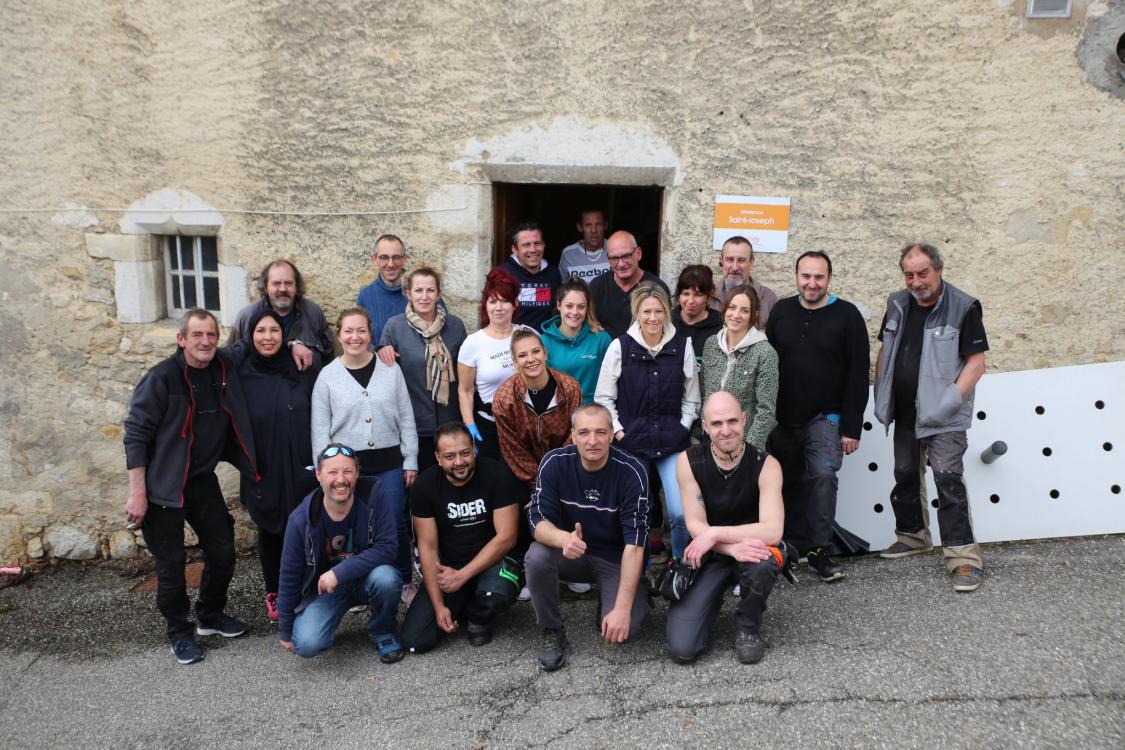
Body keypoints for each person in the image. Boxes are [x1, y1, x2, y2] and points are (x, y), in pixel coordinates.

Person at [123, 308, 257, 665]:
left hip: (200, 481)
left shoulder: (221, 369)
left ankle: (209, 617)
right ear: (181, 339)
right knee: (171, 565)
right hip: (162, 486)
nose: (205, 342)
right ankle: (179, 633)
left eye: (211, 335)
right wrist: (138, 492)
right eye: (197, 335)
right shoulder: (161, 378)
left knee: (223, 549)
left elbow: (255, 341)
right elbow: (135, 435)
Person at [873, 242, 989, 592]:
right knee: (905, 473)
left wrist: (949, 401)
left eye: (923, 273)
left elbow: (976, 363)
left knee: (947, 478)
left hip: (945, 416)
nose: (916, 280)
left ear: (938, 270)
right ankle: (912, 536)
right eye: (909, 274)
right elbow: (885, 349)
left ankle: (964, 559)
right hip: (905, 410)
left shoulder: (963, 306)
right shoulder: (896, 303)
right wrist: (881, 390)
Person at [766, 251, 869, 583]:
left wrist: (852, 427)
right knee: (781, 483)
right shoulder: (781, 311)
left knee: (822, 478)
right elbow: (767, 364)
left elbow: (858, 375)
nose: (812, 283)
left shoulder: (848, 316)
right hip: (782, 417)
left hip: (826, 418)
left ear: (829, 278)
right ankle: (787, 547)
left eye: (819, 277)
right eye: (806, 276)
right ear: (796, 276)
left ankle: (820, 552)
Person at [525, 404, 651, 671]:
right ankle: (552, 629)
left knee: (626, 629)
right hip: (572, 553)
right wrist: (563, 539)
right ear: (572, 435)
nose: (592, 441)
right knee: (536, 555)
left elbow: (635, 546)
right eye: (584, 433)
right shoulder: (554, 462)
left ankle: (619, 597)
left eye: (600, 432)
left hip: (615, 559)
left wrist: (621, 609)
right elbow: (536, 520)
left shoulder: (632, 471)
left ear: (610, 434)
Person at [666, 392, 788, 665]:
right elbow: (696, 524)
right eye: (717, 423)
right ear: (705, 427)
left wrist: (715, 533)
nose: (726, 430)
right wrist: (728, 546)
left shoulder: (767, 465)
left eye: (732, 421)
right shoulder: (688, 461)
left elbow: (772, 531)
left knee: (764, 559)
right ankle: (710, 600)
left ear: (744, 420)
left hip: (755, 549)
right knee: (681, 649)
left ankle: (748, 627)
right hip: (713, 555)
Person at [311, 308, 418, 601]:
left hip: (389, 464)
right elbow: (320, 430)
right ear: (339, 335)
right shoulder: (327, 377)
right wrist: (325, 471)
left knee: (394, 521)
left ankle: (404, 580)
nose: (355, 337)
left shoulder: (389, 370)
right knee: (351, 525)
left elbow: (406, 417)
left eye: (361, 331)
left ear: (370, 334)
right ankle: (355, 586)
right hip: (346, 467)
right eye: (348, 331)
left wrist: (410, 459)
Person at [595, 281, 700, 561]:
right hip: (633, 443)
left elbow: (692, 399)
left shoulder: (682, 346)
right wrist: (619, 433)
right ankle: (637, 574)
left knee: (679, 513)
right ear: (637, 314)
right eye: (646, 312)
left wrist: (683, 426)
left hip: (671, 442)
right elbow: (603, 397)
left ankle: (680, 565)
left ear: (667, 312)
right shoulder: (620, 347)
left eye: (658, 311)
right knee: (637, 513)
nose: (653, 318)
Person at [401, 423, 524, 652]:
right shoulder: (424, 486)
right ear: (438, 457)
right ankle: (461, 601)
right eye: (450, 456)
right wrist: (439, 606)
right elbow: (427, 548)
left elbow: (507, 537)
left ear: (474, 449)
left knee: (496, 594)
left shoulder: (497, 474)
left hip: (492, 560)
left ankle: (478, 616)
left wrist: (463, 576)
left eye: (465, 453)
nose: (459, 462)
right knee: (415, 641)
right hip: (451, 566)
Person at [230, 308, 319, 623]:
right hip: (263, 463)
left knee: (304, 526)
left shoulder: (300, 366)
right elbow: (217, 354)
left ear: (285, 336)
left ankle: (306, 589)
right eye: (260, 331)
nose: (268, 337)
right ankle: (275, 592)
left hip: (299, 461)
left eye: (274, 331)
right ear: (250, 336)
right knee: (270, 529)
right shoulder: (240, 370)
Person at [277, 443, 403, 663]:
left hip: (367, 577)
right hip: (325, 591)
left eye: (347, 471)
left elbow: (388, 547)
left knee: (387, 577)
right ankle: (325, 623)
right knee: (306, 644)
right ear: (318, 475)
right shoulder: (300, 519)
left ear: (357, 474)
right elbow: (289, 575)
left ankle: (383, 631)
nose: (340, 479)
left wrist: (340, 572)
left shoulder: (373, 495)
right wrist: (286, 631)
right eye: (332, 472)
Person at [378, 267, 466, 472]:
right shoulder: (394, 327)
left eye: (430, 290)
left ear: (439, 294)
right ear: (408, 293)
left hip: (450, 422)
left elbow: (465, 372)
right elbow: (383, 367)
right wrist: (381, 349)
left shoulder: (455, 326)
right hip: (414, 425)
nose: (424, 297)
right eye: (418, 290)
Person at [493, 328, 584, 490]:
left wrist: (555, 477)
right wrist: (540, 485)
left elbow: (574, 436)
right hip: (524, 478)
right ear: (514, 362)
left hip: (565, 471)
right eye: (522, 355)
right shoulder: (504, 399)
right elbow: (513, 449)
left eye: (536, 351)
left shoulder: (570, 388)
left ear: (545, 354)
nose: (531, 359)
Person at [700, 284, 778, 450]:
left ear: (753, 315)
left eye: (744, 310)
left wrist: (748, 450)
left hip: (744, 443)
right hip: (710, 440)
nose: (736, 315)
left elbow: (766, 411)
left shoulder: (765, 352)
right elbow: (704, 392)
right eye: (732, 307)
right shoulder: (711, 344)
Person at [457, 268, 520, 460]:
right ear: (486, 306)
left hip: (523, 427)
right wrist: (470, 426)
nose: (498, 307)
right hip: (488, 427)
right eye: (493, 302)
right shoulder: (473, 343)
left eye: (504, 301)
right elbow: (465, 390)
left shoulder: (527, 335)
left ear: (515, 304)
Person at [232, 259, 334, 371]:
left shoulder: (313, 313)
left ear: (296, 286)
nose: (283, 289)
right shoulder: (247, 316)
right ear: (266, 287)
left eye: (288, 283)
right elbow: (231, 359)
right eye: (276, 283)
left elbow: (330, 356)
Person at [540, 277, 612, 404]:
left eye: (580, 307)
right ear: (558, 305)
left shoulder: (601, 339)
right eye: (569, 306)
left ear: (587, 308)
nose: (575, 312)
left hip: (592, 413)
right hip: (558, 413)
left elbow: (612, 381)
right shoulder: (544, 341)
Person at [589, 230, 670, 339]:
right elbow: (586, 323)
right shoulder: (597, 286)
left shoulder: (657, 287)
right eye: (614, 258)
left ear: (638, 253)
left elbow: (665, 330)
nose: (621, 264)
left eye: (626, 256)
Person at [496, 221, 562, 332]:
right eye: (526, 245)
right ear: (515, 249)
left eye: (537, 243)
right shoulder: (501, 274)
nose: (533, 249)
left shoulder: (554, 274)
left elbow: (561, 313)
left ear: (543, 245)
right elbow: (490, 314)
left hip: (546, 343)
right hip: (512, 344)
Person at [711, 236, 779, 327]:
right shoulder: (709, 296)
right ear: (721, 261)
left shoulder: (768, 298)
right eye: (729, 260)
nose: (735, 267)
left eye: (741, 260)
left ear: (751, 262)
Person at [356, 234, 409, 345]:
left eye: (396, 257)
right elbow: (362, 340)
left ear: (404, 259)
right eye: (384, 257)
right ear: (374, 259)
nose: (390, 264)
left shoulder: (423, 293)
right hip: (379, 361)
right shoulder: (366, 296)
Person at [672, 264, 722, 366]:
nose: (690, 301)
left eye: (698, 295)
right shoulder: (666, 323)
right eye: (685, 294)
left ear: (709, 295)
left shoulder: (722, 327)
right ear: (679, 295)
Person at [558, 208, 609, 281]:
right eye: (588, 225)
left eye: (598, 224)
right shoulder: (568, 254)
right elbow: (562, 287)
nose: (593, 230)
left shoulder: (616, 248)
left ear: (605, 226)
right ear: (579, 227)